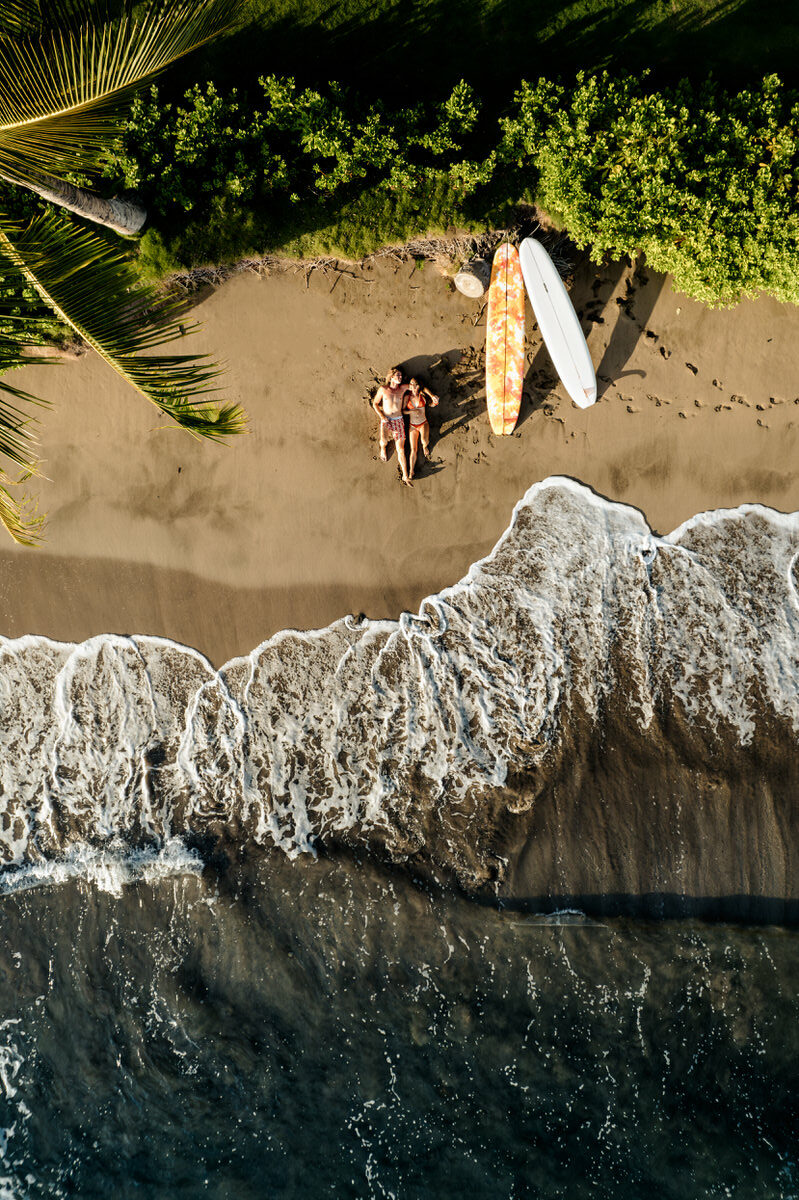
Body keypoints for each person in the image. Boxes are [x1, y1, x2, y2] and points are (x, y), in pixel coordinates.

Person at [372, 366, 412, 486]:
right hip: (386, 418)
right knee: (383, 440)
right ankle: (383, 448)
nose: (400, 377)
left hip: (399, 420)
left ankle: (405, 475)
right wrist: (381, 416)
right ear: (391, 377)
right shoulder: (383, 389)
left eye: (401, 375)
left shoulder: (403, 388)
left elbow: (416, 387)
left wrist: (431, 396)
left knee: (401, 449)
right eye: (398, 375)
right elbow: (375, 403)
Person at [404, 377, 439, 480]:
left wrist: (435, 400)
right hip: (412, 425)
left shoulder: (422, 395)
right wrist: (411, 411)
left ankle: (424, 446)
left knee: (424, 441)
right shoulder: (407, 397)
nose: (411, 385)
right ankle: (411, 471)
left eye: (413, 383)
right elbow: (403, 411)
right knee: (413, 449)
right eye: (410, 384)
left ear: (418, 386)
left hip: (423, 423)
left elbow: (431, 404)